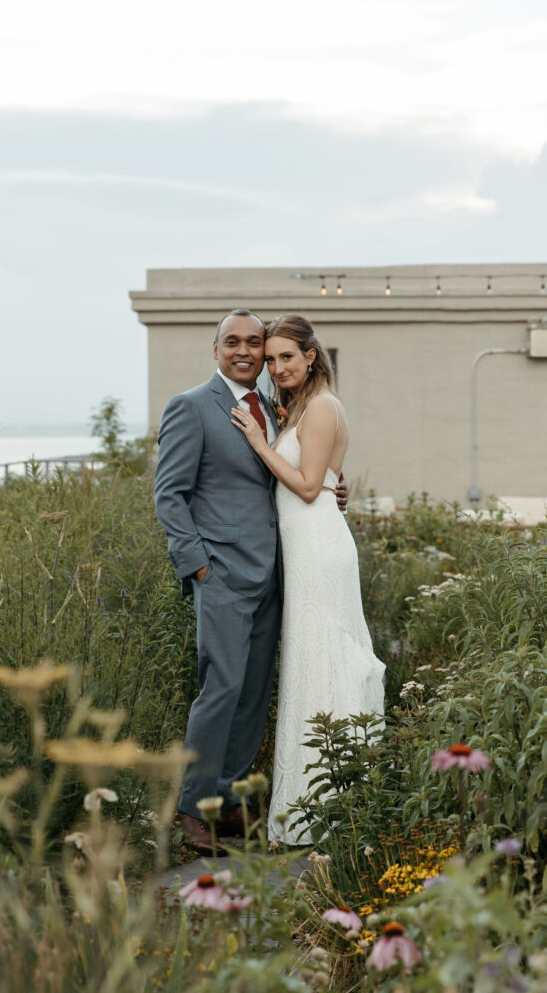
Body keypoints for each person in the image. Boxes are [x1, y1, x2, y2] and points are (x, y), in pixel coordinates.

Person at [154, 309, 345, 856]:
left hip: (279, 573)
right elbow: (169, 494)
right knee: (221, 690)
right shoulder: (192, 407)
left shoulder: (275, 407)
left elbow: (293, 478)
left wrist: (334, 490)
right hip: (222, 573)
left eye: (254, 342)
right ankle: (194, 808)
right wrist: (198, 566)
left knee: (254, 693)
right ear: (214, 348)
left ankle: (233, 800)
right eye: (232, 341)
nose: (244, 350)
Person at [231, 314, 385, 845]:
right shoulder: (299, 408)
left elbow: (307, 484)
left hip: (318, 548)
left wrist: (257, 440)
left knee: (327, 656)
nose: (275, 367)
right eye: (270, 360)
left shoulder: (321, 406)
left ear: (311, 356)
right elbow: (326, 482)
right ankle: (314, 804)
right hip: (306, 546)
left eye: (285, 357)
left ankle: (335, 804)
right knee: (309, 660)